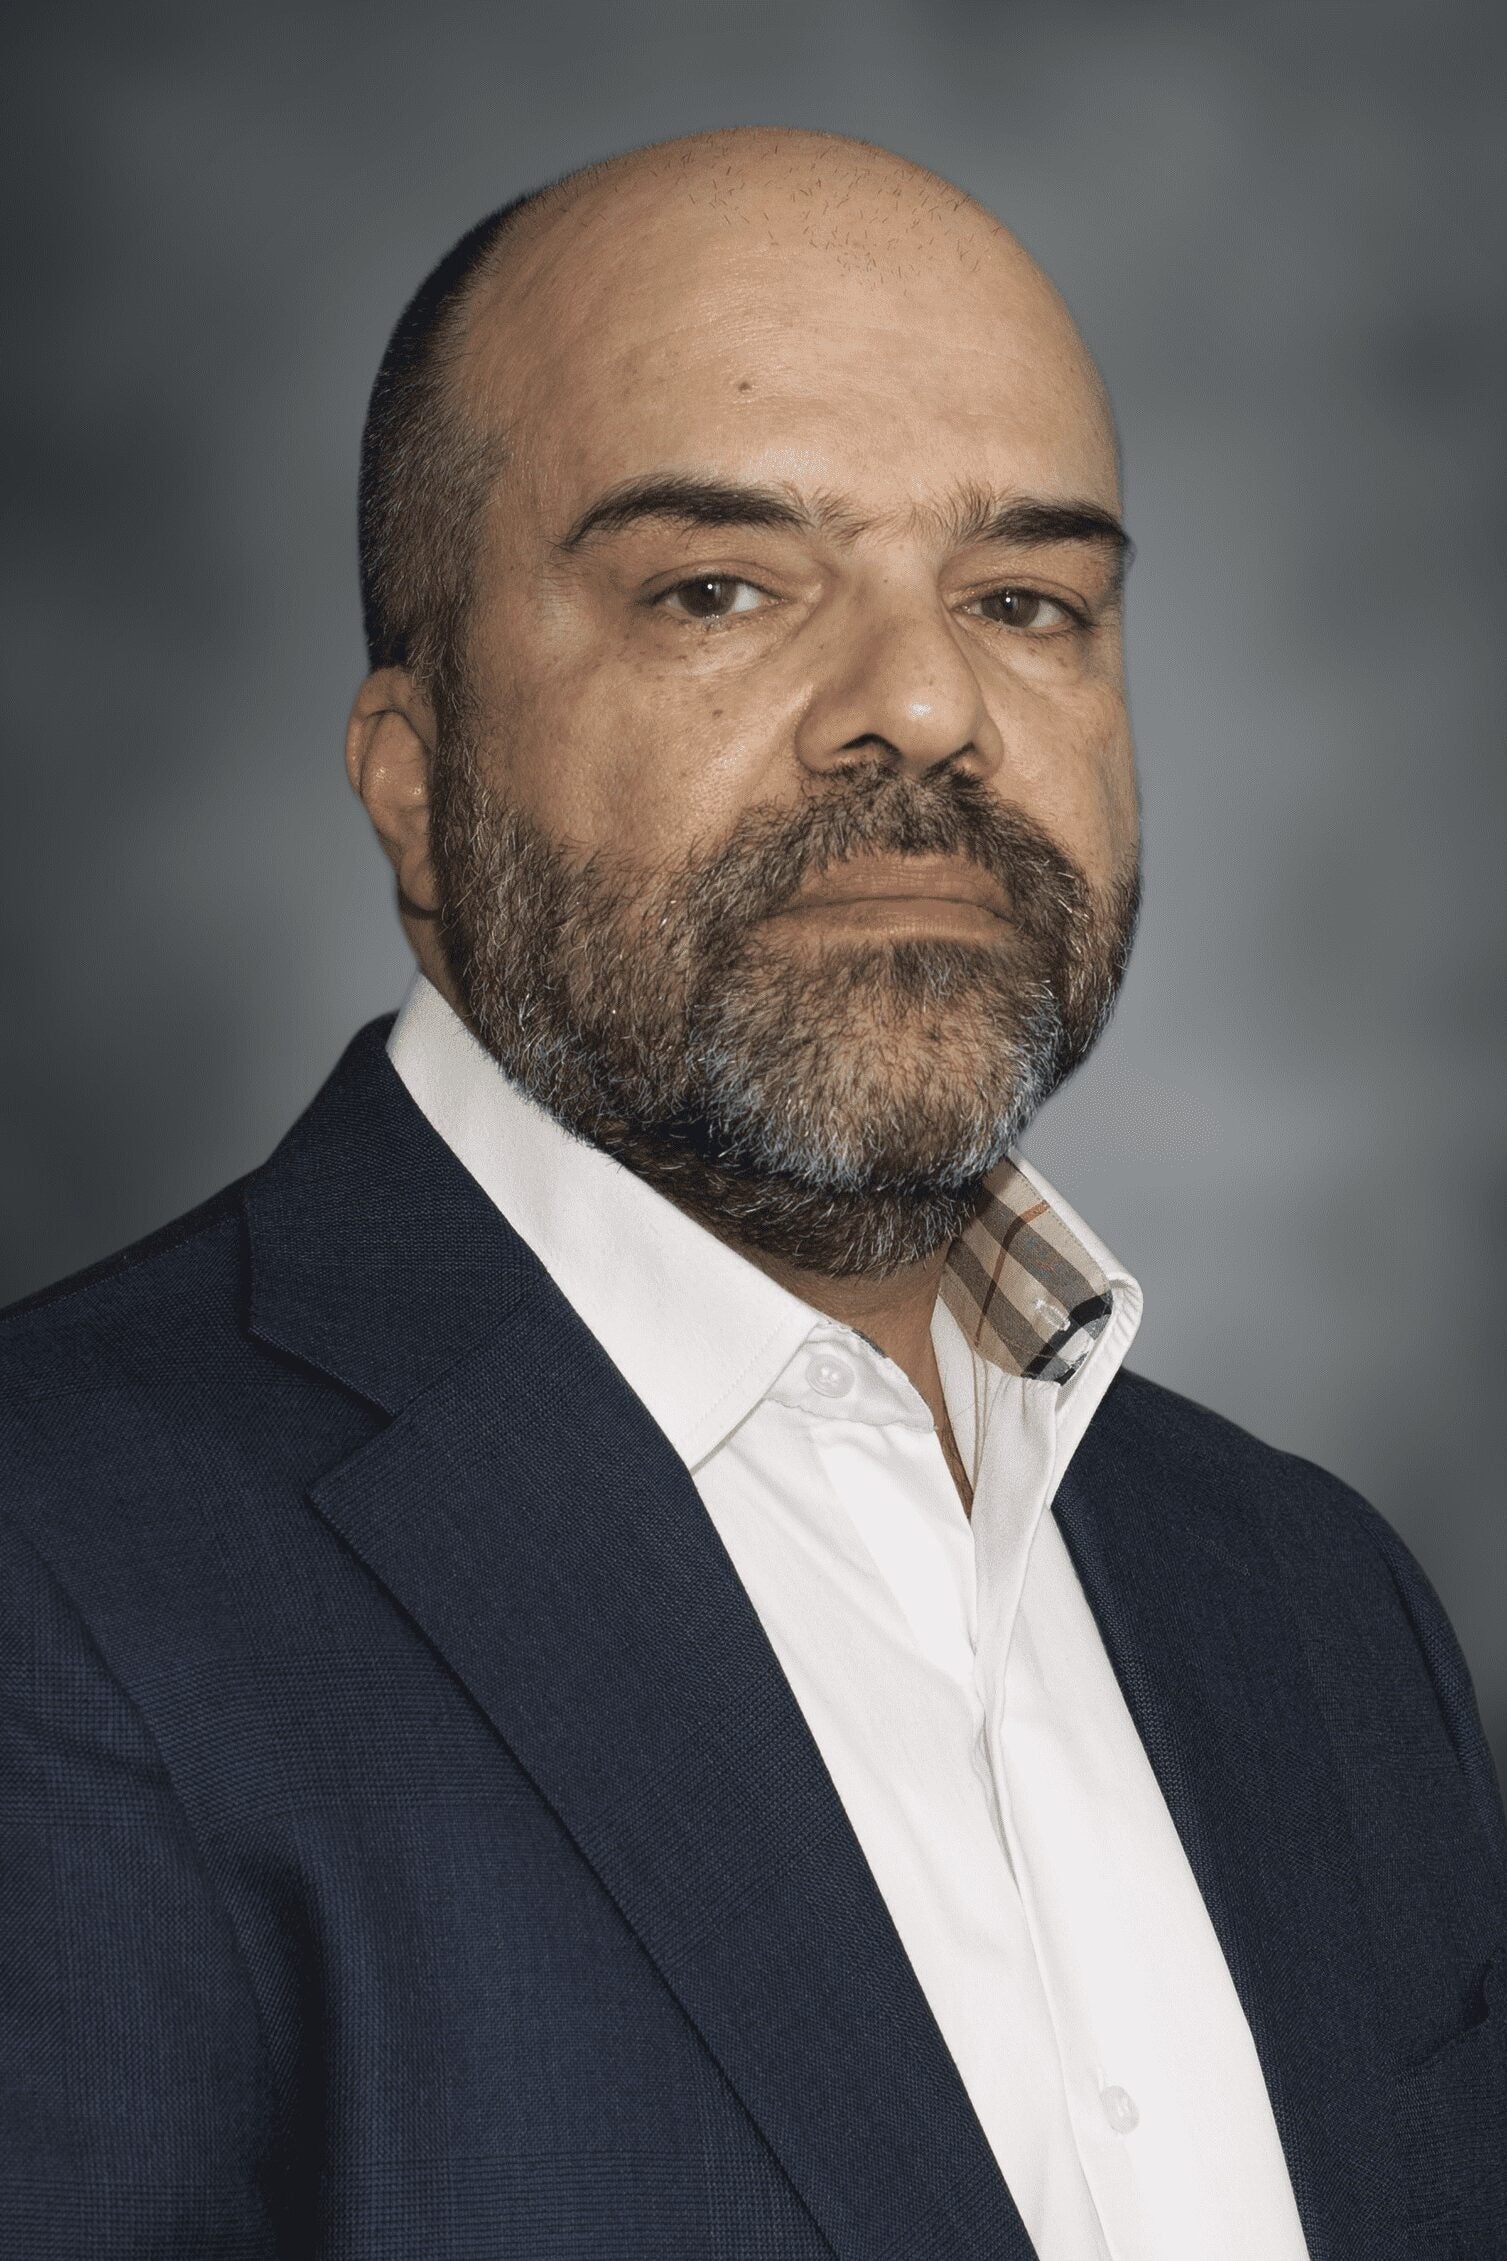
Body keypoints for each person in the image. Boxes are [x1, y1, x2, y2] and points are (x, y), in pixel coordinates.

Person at [1, 126, 1502, 2261]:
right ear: (412, 782)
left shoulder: (1314, 1609)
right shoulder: (56, 1576)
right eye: (719, 587)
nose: (923, 704)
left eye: (1025, 601)